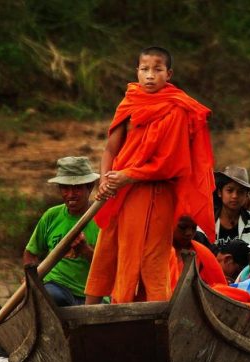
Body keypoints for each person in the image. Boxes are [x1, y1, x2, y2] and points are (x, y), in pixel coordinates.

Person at [84, 46, 215, 304]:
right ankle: (86, 315)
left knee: (151, 256)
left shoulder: (176, 108)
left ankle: (153, 312)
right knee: (107, 248)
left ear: (169, 74)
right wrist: (104, 179)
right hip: (118, 191)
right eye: (145, 69)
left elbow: (170, 163)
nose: (150, 75)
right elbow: (111, 148)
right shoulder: (129, 101)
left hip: (155, 192)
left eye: (157, 69)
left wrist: (127, 176)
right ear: (137, 72)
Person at [23, 156, 100, 306]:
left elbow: (111, 268)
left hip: (93, 295)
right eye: (65, 188)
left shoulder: (103, 219)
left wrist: (85, 251)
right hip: (57, 287)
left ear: (89, 187)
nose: (70, 194)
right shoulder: (52, 216)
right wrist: (31, 281)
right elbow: (30, 253)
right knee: (48, 297)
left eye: (77, 187)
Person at [213, 165, 250, 247]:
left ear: (246, 196)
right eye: (230, 190)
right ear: (220, 192)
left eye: (241, 192)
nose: (235, 196)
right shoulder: (208, 221)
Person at [168, 215, 226, 290]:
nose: (189, 233)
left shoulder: (203, 253)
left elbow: (221, 289)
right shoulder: (154, 250)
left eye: (194, 227)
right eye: (182, 227)